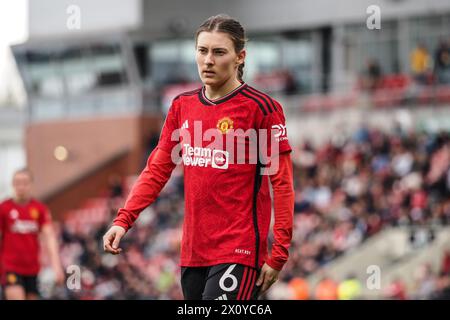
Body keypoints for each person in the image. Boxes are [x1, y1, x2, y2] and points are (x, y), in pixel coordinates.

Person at [103, 14, 295, 300]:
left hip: (239, 248)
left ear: (240, 57)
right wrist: (123, 220)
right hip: (194, 252)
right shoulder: (182, 106)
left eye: (219, 52)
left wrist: (278, 252)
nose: (208, 60)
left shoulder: (263, 109)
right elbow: (157, 169)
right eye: (202, 51)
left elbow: (281, 184)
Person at [0, 168, 65, 300]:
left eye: (24, 183)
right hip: (10, 267)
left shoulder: (39, 209)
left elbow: (50, 237)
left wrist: (56, 266)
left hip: (32, 268)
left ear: (30, 184)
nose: (21, 186)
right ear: (13, 184)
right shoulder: (4, 208)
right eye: (17, 183)